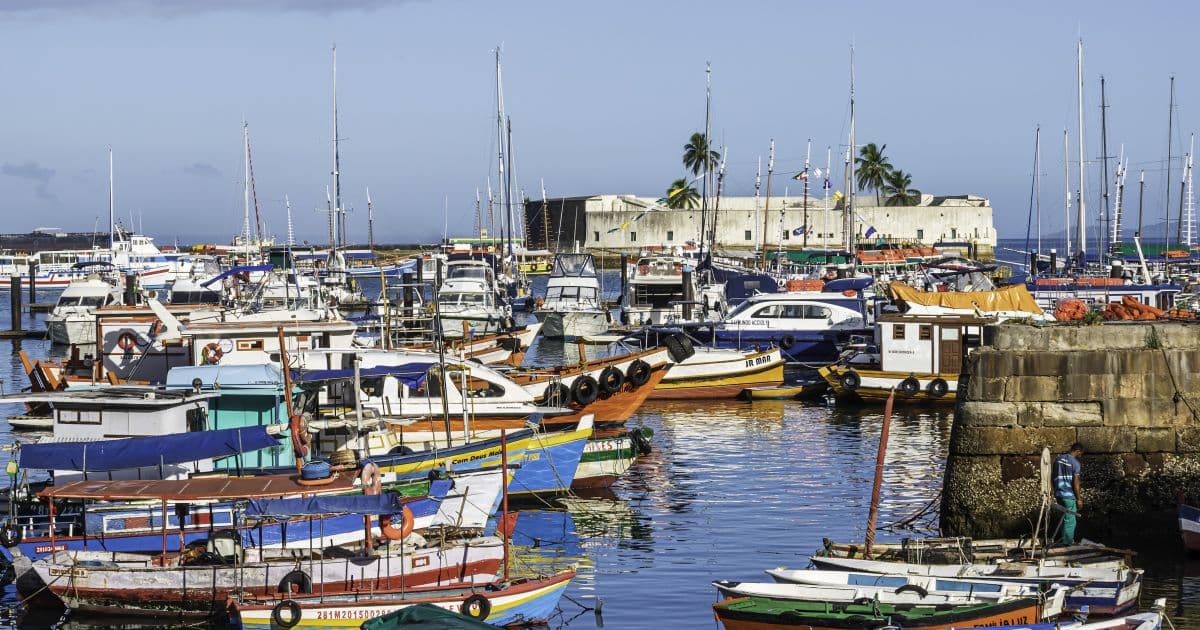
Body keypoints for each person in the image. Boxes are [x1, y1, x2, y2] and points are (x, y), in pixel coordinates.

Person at [1054, 442, 1084, 545]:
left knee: (1064, 518)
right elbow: (1076, 483)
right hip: (1068, 496)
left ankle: (1064, 540)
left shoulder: (1058, 459)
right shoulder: (1075, 463)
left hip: (1058, 494)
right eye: (1080, 454)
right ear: (1077, 451)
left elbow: (1051, 476)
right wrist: (1079, 499)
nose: (1080, 456)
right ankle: (1067, 543)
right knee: (1071, 520)